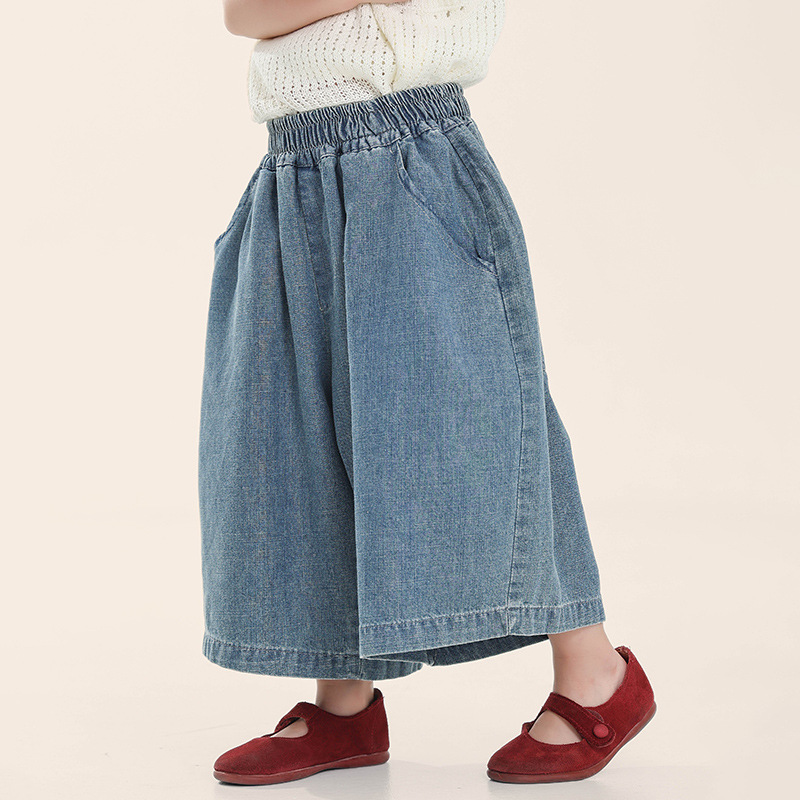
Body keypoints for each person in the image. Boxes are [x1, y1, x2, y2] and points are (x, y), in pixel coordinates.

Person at [199, 0, 657, 786]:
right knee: (304, 427)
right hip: (291, 167)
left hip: (408, 152)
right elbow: (245, 13)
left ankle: (595, 670)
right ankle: (344, 705)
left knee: (479, 415)